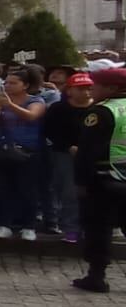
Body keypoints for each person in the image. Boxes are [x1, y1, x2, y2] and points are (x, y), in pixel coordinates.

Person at [72, 68, 126, 293]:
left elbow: (87, 151)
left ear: (112, 88)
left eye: (97, 85)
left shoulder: (101, 112)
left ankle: (97, 276)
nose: (92, 88)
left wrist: (81, 182)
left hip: (104, 178)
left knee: (98, 228)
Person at [0, 65, 46, 241]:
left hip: (27, 150)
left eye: (13, 83)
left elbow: (31, 116)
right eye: (6, 82)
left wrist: (10, 105)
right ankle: (3, 224)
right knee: (1, 189)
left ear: (25, 85)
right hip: (1, 148)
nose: (8, 86)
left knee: (27, 189)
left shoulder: (35, 101)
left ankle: (28, 226)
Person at [44, 72, 92, 244]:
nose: (86, 93)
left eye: (88, 89)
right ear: (70, 90)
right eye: (81, 89)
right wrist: (67, 146)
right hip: (64, 155)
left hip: (92, 156)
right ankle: (71, 229)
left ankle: (91, 229)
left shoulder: (98, 108)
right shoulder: (59, 108)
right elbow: (49, 130)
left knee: (93, 193)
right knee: (69, 192)